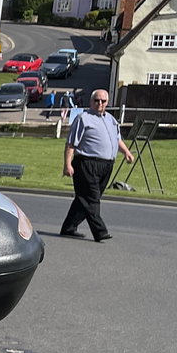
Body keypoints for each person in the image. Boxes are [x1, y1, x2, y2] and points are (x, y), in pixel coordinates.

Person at [59, 88, 134, 241]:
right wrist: (67, 165)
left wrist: (126, 152)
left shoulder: (111, 120)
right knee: (92, 198)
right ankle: (100, 231)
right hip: (86, 163)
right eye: (97, 100)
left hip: (106, 165)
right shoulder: (83, 118)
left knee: (85, 198)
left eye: (103, 101)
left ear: (107, 102)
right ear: (91, 101)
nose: (100, 103)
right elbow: (71, 144)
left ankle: (69, 227)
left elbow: (117, 139)